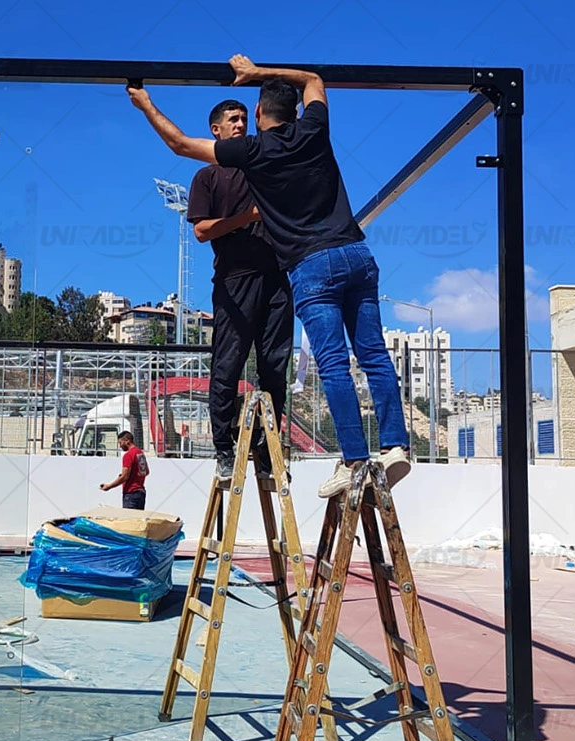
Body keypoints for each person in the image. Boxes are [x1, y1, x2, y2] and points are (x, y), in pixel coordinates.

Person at [127, 54, 412, 498]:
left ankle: (354, 458)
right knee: (373, 354)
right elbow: (313, 78)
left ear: (258, 113)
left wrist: (144, 102)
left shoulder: (254, 152)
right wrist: (258, 73)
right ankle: (396, 446)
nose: (243, 122)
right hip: (356, 253)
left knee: (331, 363)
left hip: (310, 266)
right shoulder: (314, 130)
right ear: (296, 111)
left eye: (248, 115)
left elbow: (180, 144)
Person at [186, 98, 293, 482]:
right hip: (234, 281)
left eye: (245, 118)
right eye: (233, 119)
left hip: (276, 276)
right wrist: (246, 217)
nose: (241, 124)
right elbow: (201, 231)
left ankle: (266, 450)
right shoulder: (208, 177)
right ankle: (223, 450)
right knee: (227, 366)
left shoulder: (263, 165)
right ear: (215, 130)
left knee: (275, 366)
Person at [99, 430, 149, 509]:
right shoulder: (140, 453)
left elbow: (125, 476)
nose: (120, 446)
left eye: (120, 443)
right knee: (138, 517)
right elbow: (146, 471)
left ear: (127, 441)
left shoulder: (128, 455)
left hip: (131, 493)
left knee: (128, 516)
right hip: (141, 493)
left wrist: (109, 486)